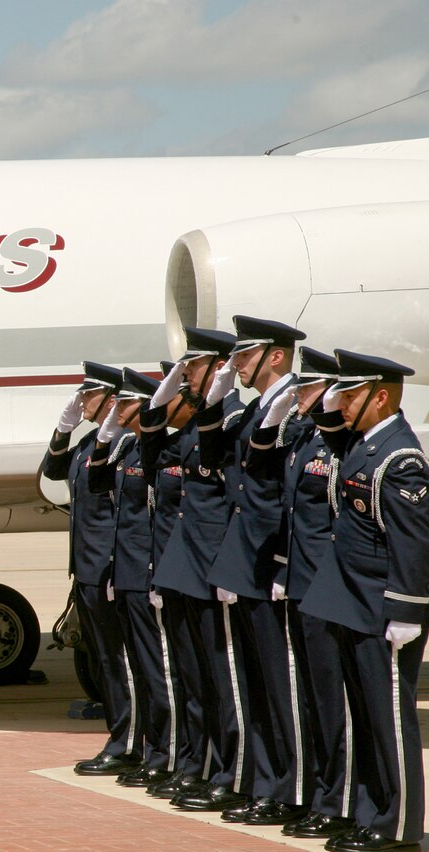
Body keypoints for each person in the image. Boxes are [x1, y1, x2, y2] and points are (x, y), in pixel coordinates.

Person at [300, 350, 429, 852]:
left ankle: (398, 826)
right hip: (353, 602)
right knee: (364, 716)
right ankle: (368, 813)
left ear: (379, 396)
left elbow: (413, 542)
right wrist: (331, 400)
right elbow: (328, 426)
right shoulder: (363, 444)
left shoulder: (398, 456)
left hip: (385, 608)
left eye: (352, 392)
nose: (341, 401)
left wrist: (407, 609)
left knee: (389, 719)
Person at [203, 316, 308, 827]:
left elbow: (290, 497)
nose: (235, 365)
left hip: (272, 563)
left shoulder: (293, 410)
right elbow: (214, 458)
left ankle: (287, 790)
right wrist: (214, 402)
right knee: (257, 685)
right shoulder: (253, 410)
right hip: (246, 560)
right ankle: (264, 784)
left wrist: (284, 562)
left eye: (243, 357)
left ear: (275, 357)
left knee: (281, 686)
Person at [244, 346, 352, 840]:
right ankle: (314, 796)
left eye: (307, 389)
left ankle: (333, 800)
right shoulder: (302, 440)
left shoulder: (338, 447)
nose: (299, 396)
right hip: (301, 582)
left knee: (331, 703)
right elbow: (259, 469)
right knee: (308, 698)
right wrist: (273, 420)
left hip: (328, 586)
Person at [151, 328, 253, 815]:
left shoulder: (234, 420)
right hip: (187, 563)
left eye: (190, 367)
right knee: (198, 678)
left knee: (223, 678)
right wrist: (169, 388)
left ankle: (230, 773)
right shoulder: (196, 427)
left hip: (216, 565)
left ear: (218, 368)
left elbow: (239, 502)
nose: (184, 375)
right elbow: (151, 444)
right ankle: (205, 764)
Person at [42, 362, 137, 776]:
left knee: (124, 661)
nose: (82, 402)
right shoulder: (88, 443)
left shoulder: (124, 445)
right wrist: (63, 431)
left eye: (89, 395)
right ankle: (120, 737)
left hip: (112, 569)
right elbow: (52, 471)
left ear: (111, 400)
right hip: (87, 569)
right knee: (106, 662)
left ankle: (131, 742)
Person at [87, 368, 172, 787]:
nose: (117, 410)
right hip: (126, 574)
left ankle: (167, 753)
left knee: (160, 673)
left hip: (147, 575)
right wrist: (104, 436)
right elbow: (96, 479)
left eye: (126, 404)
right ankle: (150, 749)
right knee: (140, 668)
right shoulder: (127, 451)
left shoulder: (157, 452)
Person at [137, 359, 206, 800]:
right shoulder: (174, 444)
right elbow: (149, 457)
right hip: (174, 573)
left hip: (198, 574)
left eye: (174, 392)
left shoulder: (203, 440)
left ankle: (201, 763)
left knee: (203, 681)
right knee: (186, 677)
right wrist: (155, 409)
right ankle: (189, 760)